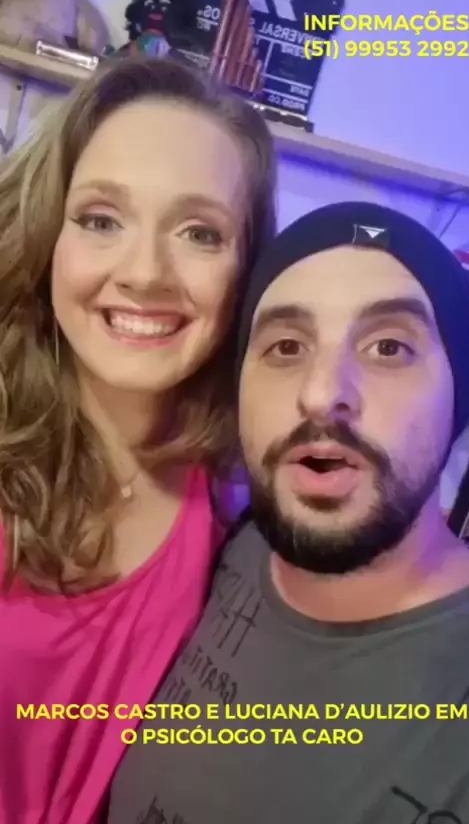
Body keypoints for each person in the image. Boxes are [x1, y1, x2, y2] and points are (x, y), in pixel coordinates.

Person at [108, 201, 469, 824]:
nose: (322, 393)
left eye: (389, 347)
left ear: (458, 396)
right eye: (286, 346)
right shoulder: (234, 547)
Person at [0, 55, 275, 824]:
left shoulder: (237, 511)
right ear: (50, 235)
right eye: (101, 219)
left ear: (247, 273)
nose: (146, 273)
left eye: (199, 233)